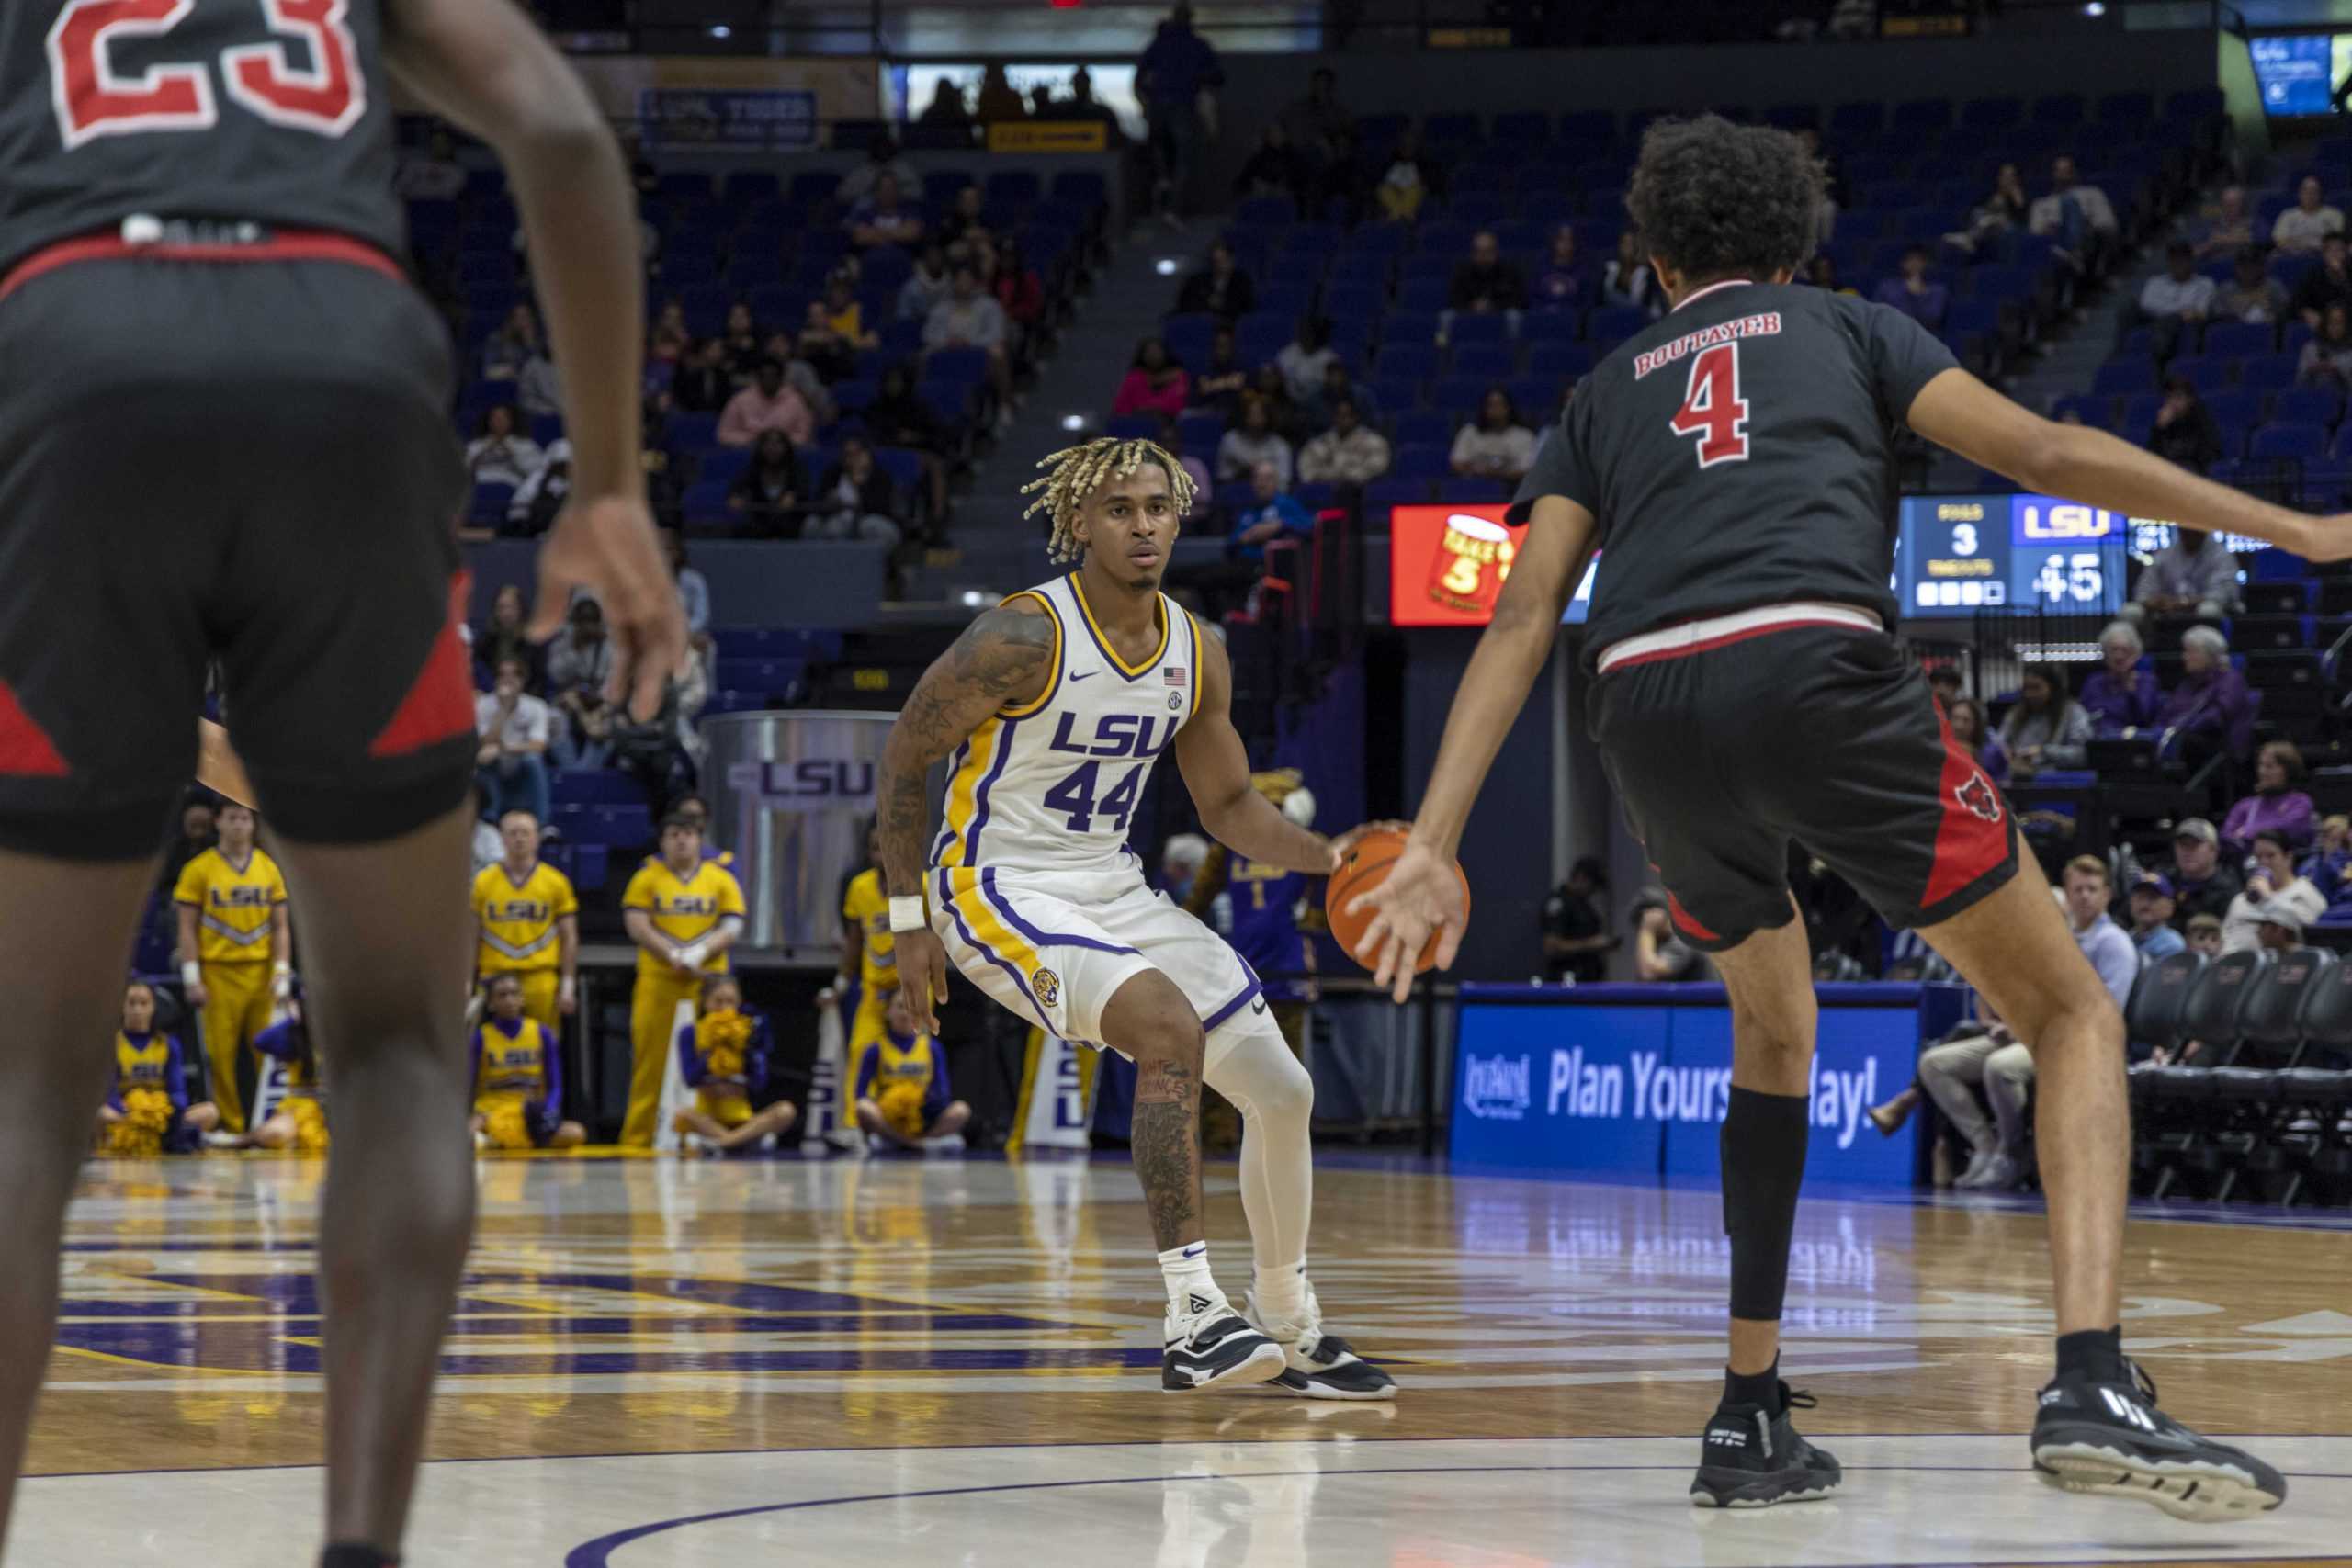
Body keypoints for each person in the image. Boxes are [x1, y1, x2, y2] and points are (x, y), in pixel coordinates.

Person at [1349, 115, 2298, 1516]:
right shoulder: (1849, 326)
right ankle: (2092, 1372)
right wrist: (2297, 529)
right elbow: (2043, 446)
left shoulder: (1603, 389)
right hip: (1814, 665)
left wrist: (1431, 836)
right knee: (2072, 1013)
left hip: (1646, 705)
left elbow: (1525, 609)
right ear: (1797, 245)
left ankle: (1747, 1409)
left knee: (1774, 1022)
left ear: (1655, 254)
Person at [875, 434, 1396, 1400]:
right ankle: (1192, 1314)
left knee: (1282, 1091)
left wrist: (1331, 860)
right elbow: (906, 754)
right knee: (1166, 1028)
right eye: (1120, 509)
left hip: (1108, 885)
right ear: (1078, 524)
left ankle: (1286, 1318)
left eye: (1158, 506)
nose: (1144, 524)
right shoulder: (1020, 636)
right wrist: (908, 919)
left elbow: (1230, 807)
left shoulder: (1198, 650)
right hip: (994, 883)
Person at [1917, 857, 2137, 1193]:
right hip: (2031, 1035)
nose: (2084, 897)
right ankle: (1985, 1147)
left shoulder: (2113, 943)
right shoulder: (2056, 939)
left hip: (2077, 1045)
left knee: (2001, 1067)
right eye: (2077, 889)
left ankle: (2012, 1153)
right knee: (1936, 1064)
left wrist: (2033, 1025)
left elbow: (2105, 1016)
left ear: (2107, 894)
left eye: (2092, 889)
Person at [619, 814, 746, 1147]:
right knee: (650, 1062)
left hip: (708, 983)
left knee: (716, 1058)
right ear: (662, 842)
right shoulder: (646, 877)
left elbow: (732, 925)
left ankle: (712, 1135)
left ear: (699, 840)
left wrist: (701, 951)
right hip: (659, 979)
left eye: (688, 834)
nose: (681, 840)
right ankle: (638, 1138)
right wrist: (672, 954)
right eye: (674, 834)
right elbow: (636, 924)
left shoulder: (720, 879)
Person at [173, 803, 290, 1135]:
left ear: (253, 826)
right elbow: (187, 927)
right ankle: (229, 1124)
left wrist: (281, 969)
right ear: (218, 823)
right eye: (232, 818)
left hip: (261, 973)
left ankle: (269, 1124)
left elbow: (281, 926)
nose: (239, 824)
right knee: (219, 1057)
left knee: (270, 1055)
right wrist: (191, 976)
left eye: (245, 818)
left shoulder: (268, 868)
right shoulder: (199, 869)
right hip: (217, 972)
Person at [470, 809, 579, 1034]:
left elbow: (569, 937)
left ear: (537, 838)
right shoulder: (483, 882)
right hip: (493, 976)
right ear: (502, 838)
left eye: (525, 833)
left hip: (539, 977)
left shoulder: (556, 882)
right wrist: (466, 982)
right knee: (486, 1051)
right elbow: (470, 936)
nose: (519, 838)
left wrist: (568, 984)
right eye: (513, 833)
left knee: (543, 1050)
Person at [672, 974, 797, 1155]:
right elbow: (690, 1078)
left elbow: (759, 1083)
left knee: (786, 1110)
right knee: (682, 1116)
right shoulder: (690, 1032)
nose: (724, 1008)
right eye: (718, 1001)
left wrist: (746, 1050)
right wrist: (711, 1051)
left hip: (742, 1119)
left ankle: (723, 1143)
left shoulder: (749, 1032)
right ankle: (739, 1141)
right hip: (708, 1119)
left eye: (730, 1001)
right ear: (706, 1002)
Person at [95, 979, 219, 1156]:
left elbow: (178, 1091)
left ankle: (165, 1137)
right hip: (125, 1113)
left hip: (160, 1115)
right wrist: (133, 1112)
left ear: (153, 1007)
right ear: (122, 1006)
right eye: (131, 1003)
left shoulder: (168, 1044)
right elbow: (109, 1091)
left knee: (210, 1112)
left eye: (144, 1003)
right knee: (101, 1114)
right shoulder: (113, 1044)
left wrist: (163, 1112)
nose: (137, 1009)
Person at [469, 973, 584, 1151]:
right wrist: (475, 1114)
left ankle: (498, 1143)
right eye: (502, 995)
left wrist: (550, 1110)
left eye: (514, 994)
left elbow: (556, 1084)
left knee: (576, 1133)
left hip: (530, 1114)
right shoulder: (481, 1036)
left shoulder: (542, 1033)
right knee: (467, 1134)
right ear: (491, 1003)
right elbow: (468, 1084)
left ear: (522, 999)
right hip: (491, 1112)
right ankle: (499, 1140)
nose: (509, 1000)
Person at [853, 983, 972, 1150]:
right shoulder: (875, 1049)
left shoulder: (932, 1047)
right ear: (888, 1012)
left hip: (923, 1115)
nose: (906, 1013)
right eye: (900, 1006)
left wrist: (919, 1102)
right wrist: (891, 1103)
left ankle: (914, 1142)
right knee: (863, 1108)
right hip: (889, 1116)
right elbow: (860, 1094)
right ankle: (913, 1143)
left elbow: (943, 1093)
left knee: (961, 1110)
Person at [1136, 1, 1225, 221]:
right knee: (1176, 160)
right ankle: (1170, 206)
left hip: (1171, 107)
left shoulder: (1183, 44)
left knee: (1172, 158)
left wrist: (1150, 94)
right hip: (1173, 108)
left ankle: (1169, 203)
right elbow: (1218, 76)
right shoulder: (1181, 44)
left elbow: (1217, 76)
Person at [2154, 625, 2256, 762]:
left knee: (2188, 742)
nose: (2185, 657)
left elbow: (2217, 716)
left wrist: (2180, 730)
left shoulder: (2231, 680)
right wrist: (2158, 732)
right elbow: (2168, 713)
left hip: (2218, 750)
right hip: (2185, 744)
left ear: (2211, 655)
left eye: (2192, 652)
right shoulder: (2187, 685)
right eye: (2185, 652)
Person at [474, 656, 553, 827]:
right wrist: (504, 709)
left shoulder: (536, 706)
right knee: (484, 759)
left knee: (532, 759)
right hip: (493, 765)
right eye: (502, 675)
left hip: (520, 766)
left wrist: (504, 748)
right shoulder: (483, 704)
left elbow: (539, 745)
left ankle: (542, 823)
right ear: (495, 679)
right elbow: (484, 742)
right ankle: (490, 817)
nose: (508, 679)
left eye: (515, 675)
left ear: (523, 680)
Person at [2221, 829, 2327, 953]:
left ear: (2288, 857)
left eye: (2271, 856)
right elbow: (2225, 938)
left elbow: (2308, 931)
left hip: (2281, 966)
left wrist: (2269, 898)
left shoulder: (2305, 892)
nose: (2264, 863)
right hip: (2232, 966)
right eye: (2258, 857)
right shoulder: (2241, 900)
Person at [249, 996, 329, 1156]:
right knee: (275, 1134)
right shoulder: (295, 1037)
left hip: (335, 1107)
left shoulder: (339, 1034)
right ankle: (247, 1139)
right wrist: (293, 1020)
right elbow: (261, 1041)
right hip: (301, 1106)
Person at [1998, 665, 2093, 780]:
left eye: (2036, 688)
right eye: (2026, 688)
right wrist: (2004, 752)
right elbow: (1999, 742)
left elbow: (2082, 754)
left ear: (2052, 688)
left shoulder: (2073, 712)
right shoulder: (2015, 713)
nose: (2029, 694)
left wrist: (2044, 752)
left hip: (2056, 781)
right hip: (2016, 777)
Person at [2029, 154, 2119, 276]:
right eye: (2058, 171)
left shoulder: (2092, 193)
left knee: (2069, 202)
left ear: (2074, 173)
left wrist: (2087, 225)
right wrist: (2053, 230)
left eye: (2066, 171)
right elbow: (2035, 232)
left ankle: (2075, 255)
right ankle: (2069, 258)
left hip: (2087, 242)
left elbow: (2108, 224)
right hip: (2054, 244)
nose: (2062, 175)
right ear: (2053, 174)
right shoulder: (2041, 204)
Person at [2222, 741, 2317, 854]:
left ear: (2288, 771)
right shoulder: (2245, 805)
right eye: (2261, 765)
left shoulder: (2300, 802)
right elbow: (2226, 837)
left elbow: (2286, 831)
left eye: (2269, 766)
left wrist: (2248, 831)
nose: (2262, 772)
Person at [2127, 527, 2239, 623]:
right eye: (2185, 529)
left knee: (2208, 610)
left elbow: (2221, 596)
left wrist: (2184, 603)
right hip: (2165, 611)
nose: (2189, 533)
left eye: (2193, 529)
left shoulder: (2221, 555)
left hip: (2201, 612)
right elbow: (2142, 593)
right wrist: (2156, 602)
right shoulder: (2164, 555)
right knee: (2130, 611)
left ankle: (2208, 648)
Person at [812, 435, 905, 549]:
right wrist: (830, 502)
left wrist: (860, 486)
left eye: (857, 453)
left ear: (867, 455)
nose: (853, 459)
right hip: (841, 523)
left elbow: (881, 509)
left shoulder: (880, 477)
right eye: (848, 454)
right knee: (818, 524)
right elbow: (817, 505)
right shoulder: (833, 474)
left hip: (878, 523)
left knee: (868, 525)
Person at [2160, 818, 2244, 930]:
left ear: (2214, 850)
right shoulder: (2163, 881)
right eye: (2182, 845)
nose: (2187, 851)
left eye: (2194, 845)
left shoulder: (2230, 888)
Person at [1445, 230, 1529, 343]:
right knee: (1446, 317)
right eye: (1479, 251)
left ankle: (1513, 348)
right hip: (1469, 312)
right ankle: (1444, 349)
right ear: (1473, 253)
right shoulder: (1462, 271)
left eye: (1488, 251)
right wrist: (1472, 306)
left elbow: (1519, 299)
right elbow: (1453, 299)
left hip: (1499, 312)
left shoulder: (1509, 270)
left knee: (1514, 316)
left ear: (1496, 252)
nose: (1483, 256)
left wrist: (1492, 305)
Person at [2078, 621, 2160, 735]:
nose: (2119, 656)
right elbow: (2082, 715)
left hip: (2131, 743)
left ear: (2135, 654)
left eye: (2124, 650)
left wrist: (2131, 691)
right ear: (2105, 654)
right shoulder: (2094, 681)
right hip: (2096, 740)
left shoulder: (2146, 681)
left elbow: (2145, 719)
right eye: (2114, 650)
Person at [2138, 243, 2214, 362]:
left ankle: (2162, 358)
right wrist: (2180, 311)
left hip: (2189, 325)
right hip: (2154, 321)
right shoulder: (2155, 282)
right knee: (2128, 309)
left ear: (2191, 260)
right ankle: (2120, 354)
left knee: (2176, 321)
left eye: (2182, 259)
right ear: (2168, 262)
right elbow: (2146, 304)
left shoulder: (2205, 283)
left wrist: (2171, 312)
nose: (2178, 263)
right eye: (2174, 259)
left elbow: (2200, 311)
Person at [1542, 856, 1612, 984]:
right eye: (1593, 884)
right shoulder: (1559, 903)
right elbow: (1551, 947)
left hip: (1589, 980)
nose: (1593, 891)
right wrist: (1590, 944)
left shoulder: (1584, 905)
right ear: (1581, 877)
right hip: (1566, 981)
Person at [718, 357, 815, 448]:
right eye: (764, 376)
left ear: (781, 378)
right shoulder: (740, 400)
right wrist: (752, 439)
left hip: (787, 456)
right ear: (757, 378)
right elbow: (724, 434)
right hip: (749, 454)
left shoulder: (796, 401)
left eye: (773, 376)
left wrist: (781, 442)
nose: (768, 380)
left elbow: (804, 435)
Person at [1296, 397, 1392, 489]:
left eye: (1347, 416)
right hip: (1326, 494)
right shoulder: (1319, 443)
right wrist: (1337, 476)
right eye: (1338, 415)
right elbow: (1306, 473)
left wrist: (1338, 476)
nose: (1342, 420)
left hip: (1358, 495)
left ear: (1356, 417)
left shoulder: (1375, 442)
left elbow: (1377, 469)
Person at [1229, 460, 1311, 568]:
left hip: (1277, 568)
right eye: (1258, 478)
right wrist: (1245, 537)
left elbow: (1310, 526)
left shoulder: (1286, 504)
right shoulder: (1248, 511)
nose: (1261, 484)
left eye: (1267, 479)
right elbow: (1231, 544)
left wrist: (1279, 526)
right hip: (1245, 567)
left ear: (1276, 482)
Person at [1450, 388, 1537, 483]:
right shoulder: (1469, 432)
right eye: (1491, 405)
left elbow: (1528, 469)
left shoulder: (1524, 435)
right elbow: (1457, 463)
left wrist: (1500, 474)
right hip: (1474, 486)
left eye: (1499, 404)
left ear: (1508, 408)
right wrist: (1481, 472)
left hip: (1512, 489)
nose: (1495, 409)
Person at [2150, 375, 2223, 475]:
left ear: (2189, 400)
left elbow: (2209, 454)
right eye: (2169, 397)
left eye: (2178, 397)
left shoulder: (2202, 421)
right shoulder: (2164, 425)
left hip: (2193, 475)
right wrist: (2159, 428)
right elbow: (2151, 456)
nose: (2173, 403)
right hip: (2166, 474)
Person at [1217, 392, 1295, 485]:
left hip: (1271, 496)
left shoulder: (1279, 445)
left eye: (1260, 414)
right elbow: (1223, 478)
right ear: (1244, 415)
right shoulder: (1231, 440)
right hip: (1234, 495)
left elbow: (1284, 481)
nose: (1255, 418)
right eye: (1251, 413)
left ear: (1268, 417)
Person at [465, 405, 546, 490]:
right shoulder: (476, 444)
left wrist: (512, 453)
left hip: (512, 485)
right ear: (489, 422)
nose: (499, 422)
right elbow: (462, 471)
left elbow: (536, 473)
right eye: (495, 418)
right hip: (481, 483)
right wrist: (481, 453)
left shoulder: (526, 444)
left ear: (511, 421)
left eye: (503, 418)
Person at [1871, 245, 1947, 332]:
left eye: (1919, 260)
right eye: (1910, 259)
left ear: (1926, 263)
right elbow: (1877, 316)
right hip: (1892, 334)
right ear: (1902, 263)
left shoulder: (1937, 290)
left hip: (1924, 337)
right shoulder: (1886, 287)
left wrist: (1916, 295)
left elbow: (1933, 318)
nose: (1914, 264)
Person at [846, 172, 926, 252]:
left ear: (897, 191)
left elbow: (913, 234)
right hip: (871, 258)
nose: (887, 193)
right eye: (883, 189)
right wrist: (899, 233)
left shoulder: (909, 211)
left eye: (890, 188)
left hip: (903, 258)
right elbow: (860, 237)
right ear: (876, 192)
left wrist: (875, 233)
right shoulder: (865, 213)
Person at [1234, 123, 1308, 209]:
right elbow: (1241, 183)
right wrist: (1255, 185)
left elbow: (1304, 183)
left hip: (1289, 206)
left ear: (1285, 135)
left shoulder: (1295, 157)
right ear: (1267, 137)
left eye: (1278, 133)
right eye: (1272, 133)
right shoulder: (1259, 158)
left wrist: (1288, 188)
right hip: (1263, 206)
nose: (1275, 136)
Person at [1114, 337, 1192, 419]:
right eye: (1148, 351)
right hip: (1138, 423)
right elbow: (1123, 408)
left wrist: (1156, 408)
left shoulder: (1179, 375)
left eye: (1156, 351)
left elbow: (1177, 404)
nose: (1153, 355)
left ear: (1165, 353)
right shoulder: (1134, 377)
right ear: (1142, 355)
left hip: (1171, 422)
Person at [2290, 232, 2352, 329]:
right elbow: (2296, 302)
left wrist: (2342, 277)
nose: (2334, 254)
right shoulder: (2314, 274)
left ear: (2346, 253)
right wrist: (2306, 312)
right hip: (2320, 324)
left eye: (2339, 250)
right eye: (2330, 250)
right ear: (2323, 254)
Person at [1944, 694, 2008, 787]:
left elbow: (2001, 786)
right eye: (1955, 718)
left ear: (1977, 725)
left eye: (1966, 720)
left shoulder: (1992, 753)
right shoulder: (1940, 749)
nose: (1959, 726)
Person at [2272, 174, 2344, 254]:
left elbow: (2337, 243)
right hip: (2293, 256)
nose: (2309, 195)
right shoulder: (2288, 215)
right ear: (2299, 194)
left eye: (2314, 191)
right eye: (2305, 190)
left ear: (2320, 193)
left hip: (2324, 256)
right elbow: (2280, 241)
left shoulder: (2334, 214)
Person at [2217, 248, 2290, 327]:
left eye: (2253, 265)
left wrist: (2271, 316)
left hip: (2268, 330)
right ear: (2237, 267)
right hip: (2234, 332)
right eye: (2244, 266)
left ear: (2261, 267)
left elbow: (2286, 312)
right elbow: (2218, 318)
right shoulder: (2226, 289)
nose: (2249, 270)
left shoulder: (2274, 287)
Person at [1191, 326, 1250, 423]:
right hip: (1207, 411)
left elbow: (1244, 392)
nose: (1222, 349)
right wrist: (1228, 383)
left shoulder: (1242, 367)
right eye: (1219, 345)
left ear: (1232, 346)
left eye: (1226, 345)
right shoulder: (1203, 368)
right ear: (1213, 347)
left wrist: (1212, 386)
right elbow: (1198, 394)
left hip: (1235, 413)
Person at [1274, 318, 1339, 407]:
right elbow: (1278, 375)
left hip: (1317, 402)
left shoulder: (1329, 358)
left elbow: (1331, 384)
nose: (1306, 337)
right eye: (1303, 333)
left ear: (1315, 335)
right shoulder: (1288, 352)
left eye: (1309, 334)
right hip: (1288, 399)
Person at [1602, 229, 1665, 319]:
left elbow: (1644, 308)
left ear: (1636, 248)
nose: (1628, 248)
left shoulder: (1646, 274)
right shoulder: (1610, 269)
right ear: (1619, 246)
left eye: (1631, 244)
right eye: (1625, 243)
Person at [1374, 130, 1432, 223]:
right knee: (1382, 190)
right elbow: (1384, 179)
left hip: (1412, 190)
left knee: (1416, 190)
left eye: (1410, 143)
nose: (1407, 146)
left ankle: (1396, 217)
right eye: (1405, 143)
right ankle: (1405, 216)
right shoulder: (1391, 160)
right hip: (1394, 191)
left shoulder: (1422, 161)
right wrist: (1394, 187)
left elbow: (1426, 180)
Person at [1532, 226, 1592, 315]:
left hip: (1573, 321)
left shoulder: (1583, 271)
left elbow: (1586, 302)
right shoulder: (1541, 268)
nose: (1565, 244)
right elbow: (1532, 298)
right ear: (1554, 242)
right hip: (1542, 318)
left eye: (1569, 240)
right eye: (1561, 239)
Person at [2127, 874, 2187, 962]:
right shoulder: (2126, 938)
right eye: (2140, 898)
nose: (2145, 904)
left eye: (2152, 898)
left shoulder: (2171, 944)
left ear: (2170, 907)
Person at [2188, 185, 2255, 259]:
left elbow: (2264, 243)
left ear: (2242, 205)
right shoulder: (2209, 226)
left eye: (2233, 205)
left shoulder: (2253, 224)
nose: (2229, 209)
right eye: (2226, 205)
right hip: (2214, 266)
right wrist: (2211, 243)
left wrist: (2225, 239)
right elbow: (2192, 254)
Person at [2300, 300, 2352, 389]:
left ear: (2346, 325)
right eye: (2331, 322)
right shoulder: (2310, 349)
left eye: (2339, 323)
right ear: (2325, 324)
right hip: (2313, 399)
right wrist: (2312, 371)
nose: (2334, 327)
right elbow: (2300, 383)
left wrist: (2338, 372)